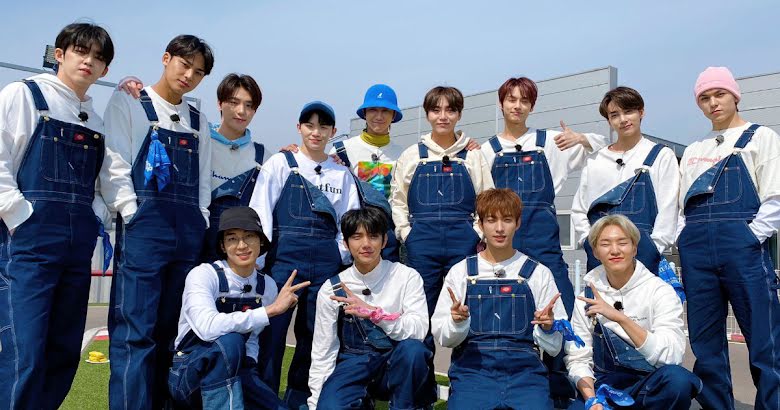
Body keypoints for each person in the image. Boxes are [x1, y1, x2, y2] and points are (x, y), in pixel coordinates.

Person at [0, 22, 114, 409]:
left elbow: (101, 184)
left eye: (98, 57)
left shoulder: (95, 121)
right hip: (28, 247)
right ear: (60, 54)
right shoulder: (24, 95)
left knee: (64, 352)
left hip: (76, 249)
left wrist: (94, 217)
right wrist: (20, 215)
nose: (89, 61)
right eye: (81, 51)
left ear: (105, 70)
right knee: (25, 353)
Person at [102, 34, 214, 409]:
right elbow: (115, 162)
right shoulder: (131, 101)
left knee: (171, 331)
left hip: (187, 233)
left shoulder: (198, 120)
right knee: (135, 333)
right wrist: (130, 211)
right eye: (184, 64)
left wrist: (200, 218)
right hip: (145, 231)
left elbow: (203, 180)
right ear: (166, 58)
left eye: (198, 72)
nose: (189, 75)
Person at [678, 66, 780, 410]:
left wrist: (751, 236)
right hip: (696, 250)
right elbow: (680, 204)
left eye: (719, 94)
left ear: (735, 96)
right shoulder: (695, 149)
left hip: (743, 247)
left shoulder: (760, 137)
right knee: (705, 341)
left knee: (765, 338)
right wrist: (683, 236)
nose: (713, 103)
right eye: (704, 97)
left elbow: (775, 197)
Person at [249, 101, 360, 408]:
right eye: (309, 125)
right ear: (299, 128)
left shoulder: (341, 173)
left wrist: (339, 254)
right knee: (272, 334)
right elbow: (261, 211)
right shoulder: (280, 163)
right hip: (284, 261)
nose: (316, 132)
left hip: (326, 264)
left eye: (323, 127)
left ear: (333, 132)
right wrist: (259, 260)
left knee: (315, 336)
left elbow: (350, 220)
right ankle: (265, 400)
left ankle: (300, 399)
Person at [481, 76, 608, 317]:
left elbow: (605, 148)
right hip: (503, 238)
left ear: (532, 106)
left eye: (524, 101)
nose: (517, 106)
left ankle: (569, 342)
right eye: (511, 100)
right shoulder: (487, 150)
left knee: (563, 302)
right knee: (507, 305)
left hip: (543, 238)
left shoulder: (550, 142)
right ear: (501, 104)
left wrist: (581, 139)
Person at [431, 188, 569, 409]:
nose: (499, 228)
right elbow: (443, 337)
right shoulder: (461, 272)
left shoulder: (538, 273)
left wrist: (548, 328)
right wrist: (457, 322)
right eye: (491, 220)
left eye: (507, 220)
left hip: (526, 374)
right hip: (473, 371)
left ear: (518, 223)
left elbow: (555, 346)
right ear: (480, 224)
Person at [116, 73, 267, 263]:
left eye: (249, 105)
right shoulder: (195, 139)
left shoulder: (264, 158)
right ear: (219, 103)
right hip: (188, 241)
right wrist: (127, 82)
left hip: (234, 255)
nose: (241, 111)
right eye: (233, 102)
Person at [169, 207, 307, 410]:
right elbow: (207, 328)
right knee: (231, 341)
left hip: (237, 371)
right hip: (190, 373)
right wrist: (270, 310)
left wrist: (250, 375)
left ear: (261, 241)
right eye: (232, 239)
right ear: (223, 246)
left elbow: (252, 339)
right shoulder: (204, 275)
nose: (242, 246)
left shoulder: (267, 285)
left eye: (249, 236)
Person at [565, 214, 700, 410]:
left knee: (678, 381)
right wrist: (592, 400)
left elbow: (672, 356)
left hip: (649, 385)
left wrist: (621, 319)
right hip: (605, 388)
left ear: (634, 248)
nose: (615, 250)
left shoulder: (659, 291)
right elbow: (578, 358)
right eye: (605, 244)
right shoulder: (586, 298)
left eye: (622, 243)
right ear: (595, 252)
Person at [308, 207, 435, 409]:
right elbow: (323, 350)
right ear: (345, 243)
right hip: (353, 362)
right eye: (357, 237)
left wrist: (375, 314)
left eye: (373, 236)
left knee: (414, 350)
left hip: (396, 359)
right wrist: (316, 402)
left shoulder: (406, 276)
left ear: (384, 241)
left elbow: (419, 330)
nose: (366, 244)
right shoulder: (332, 288)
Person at [390, 85, 493, 317]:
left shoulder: (473, 155)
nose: (443, 117)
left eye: (450, 110)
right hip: (421, 242)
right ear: (427, 114)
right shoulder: (412, 155)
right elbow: (398, 201)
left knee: (465, 306)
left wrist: (477, 233)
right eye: (436, 110)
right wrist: (406, 233)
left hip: (463, 241)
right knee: (420, 308)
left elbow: (487, 199)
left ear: (459, 115)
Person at [572, 86, 679, 275]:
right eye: (614, 115)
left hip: (644, 255)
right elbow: (580, 209)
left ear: (641, 112)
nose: (623, 120)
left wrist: (653, 248)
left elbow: (668, 210)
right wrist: (589, 242)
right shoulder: (595, 160)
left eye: (628, 111)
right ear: (609, 121)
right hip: (600, 256)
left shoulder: (661, 156)